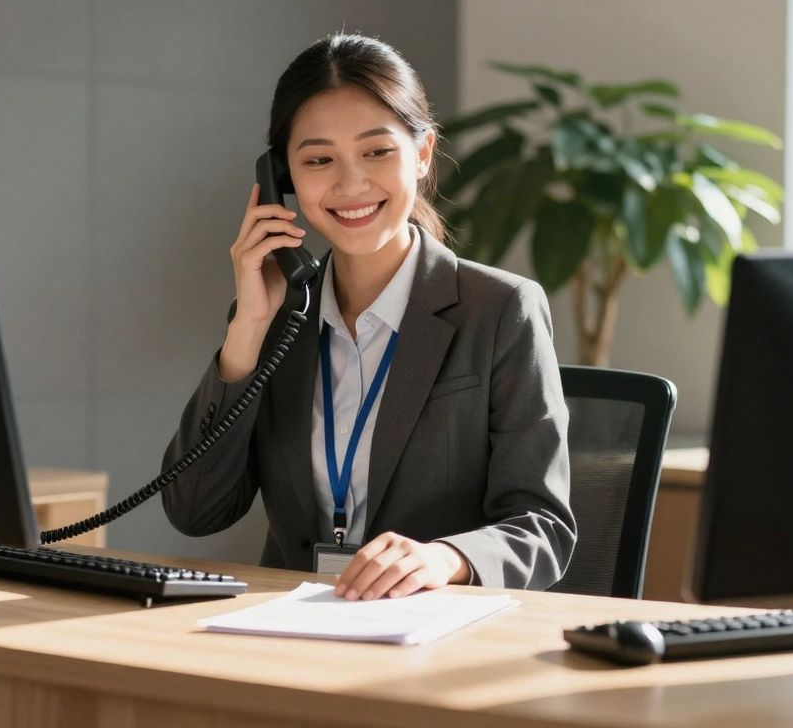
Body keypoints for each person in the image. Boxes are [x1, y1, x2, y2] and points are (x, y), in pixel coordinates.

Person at [162, 33, 575, 600]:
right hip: (293, 632)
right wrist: (248, 331)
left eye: (377, 151)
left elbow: (543, 527)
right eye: (318, 159)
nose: (350, 183)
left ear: (424, 153)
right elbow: (194, 510)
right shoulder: (274, 319)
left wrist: (443, 559)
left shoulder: (501, 310)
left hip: (437, 636)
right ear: (282, 178)